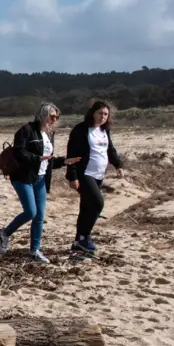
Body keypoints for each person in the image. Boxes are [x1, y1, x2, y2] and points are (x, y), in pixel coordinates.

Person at [0, 102, 69, 263]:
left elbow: (48, 161)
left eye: (57, 117)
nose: (54, 120)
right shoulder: (27, 130)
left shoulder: (49, 134)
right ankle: (4, 233)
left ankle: (35, 251)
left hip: (40, 178)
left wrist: (64, 161)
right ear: (43, 115)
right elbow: (19, 152)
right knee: (30, 212)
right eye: (52, 116)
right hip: (22, 177)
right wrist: (37, 158)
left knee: (39, 216)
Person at [65, 99, 123, 255]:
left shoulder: (104, 130)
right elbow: (71, 154)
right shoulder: (81, 130)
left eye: (105, 114)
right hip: (85, 174)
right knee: (98, 203)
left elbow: (110, 149)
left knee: (86, 207)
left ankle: (78, 242)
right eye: (100, 113)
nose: (102, 117)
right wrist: (72, 176)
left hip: (99, 174)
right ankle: (85, 236)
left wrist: (118, 165)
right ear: (92, 113)